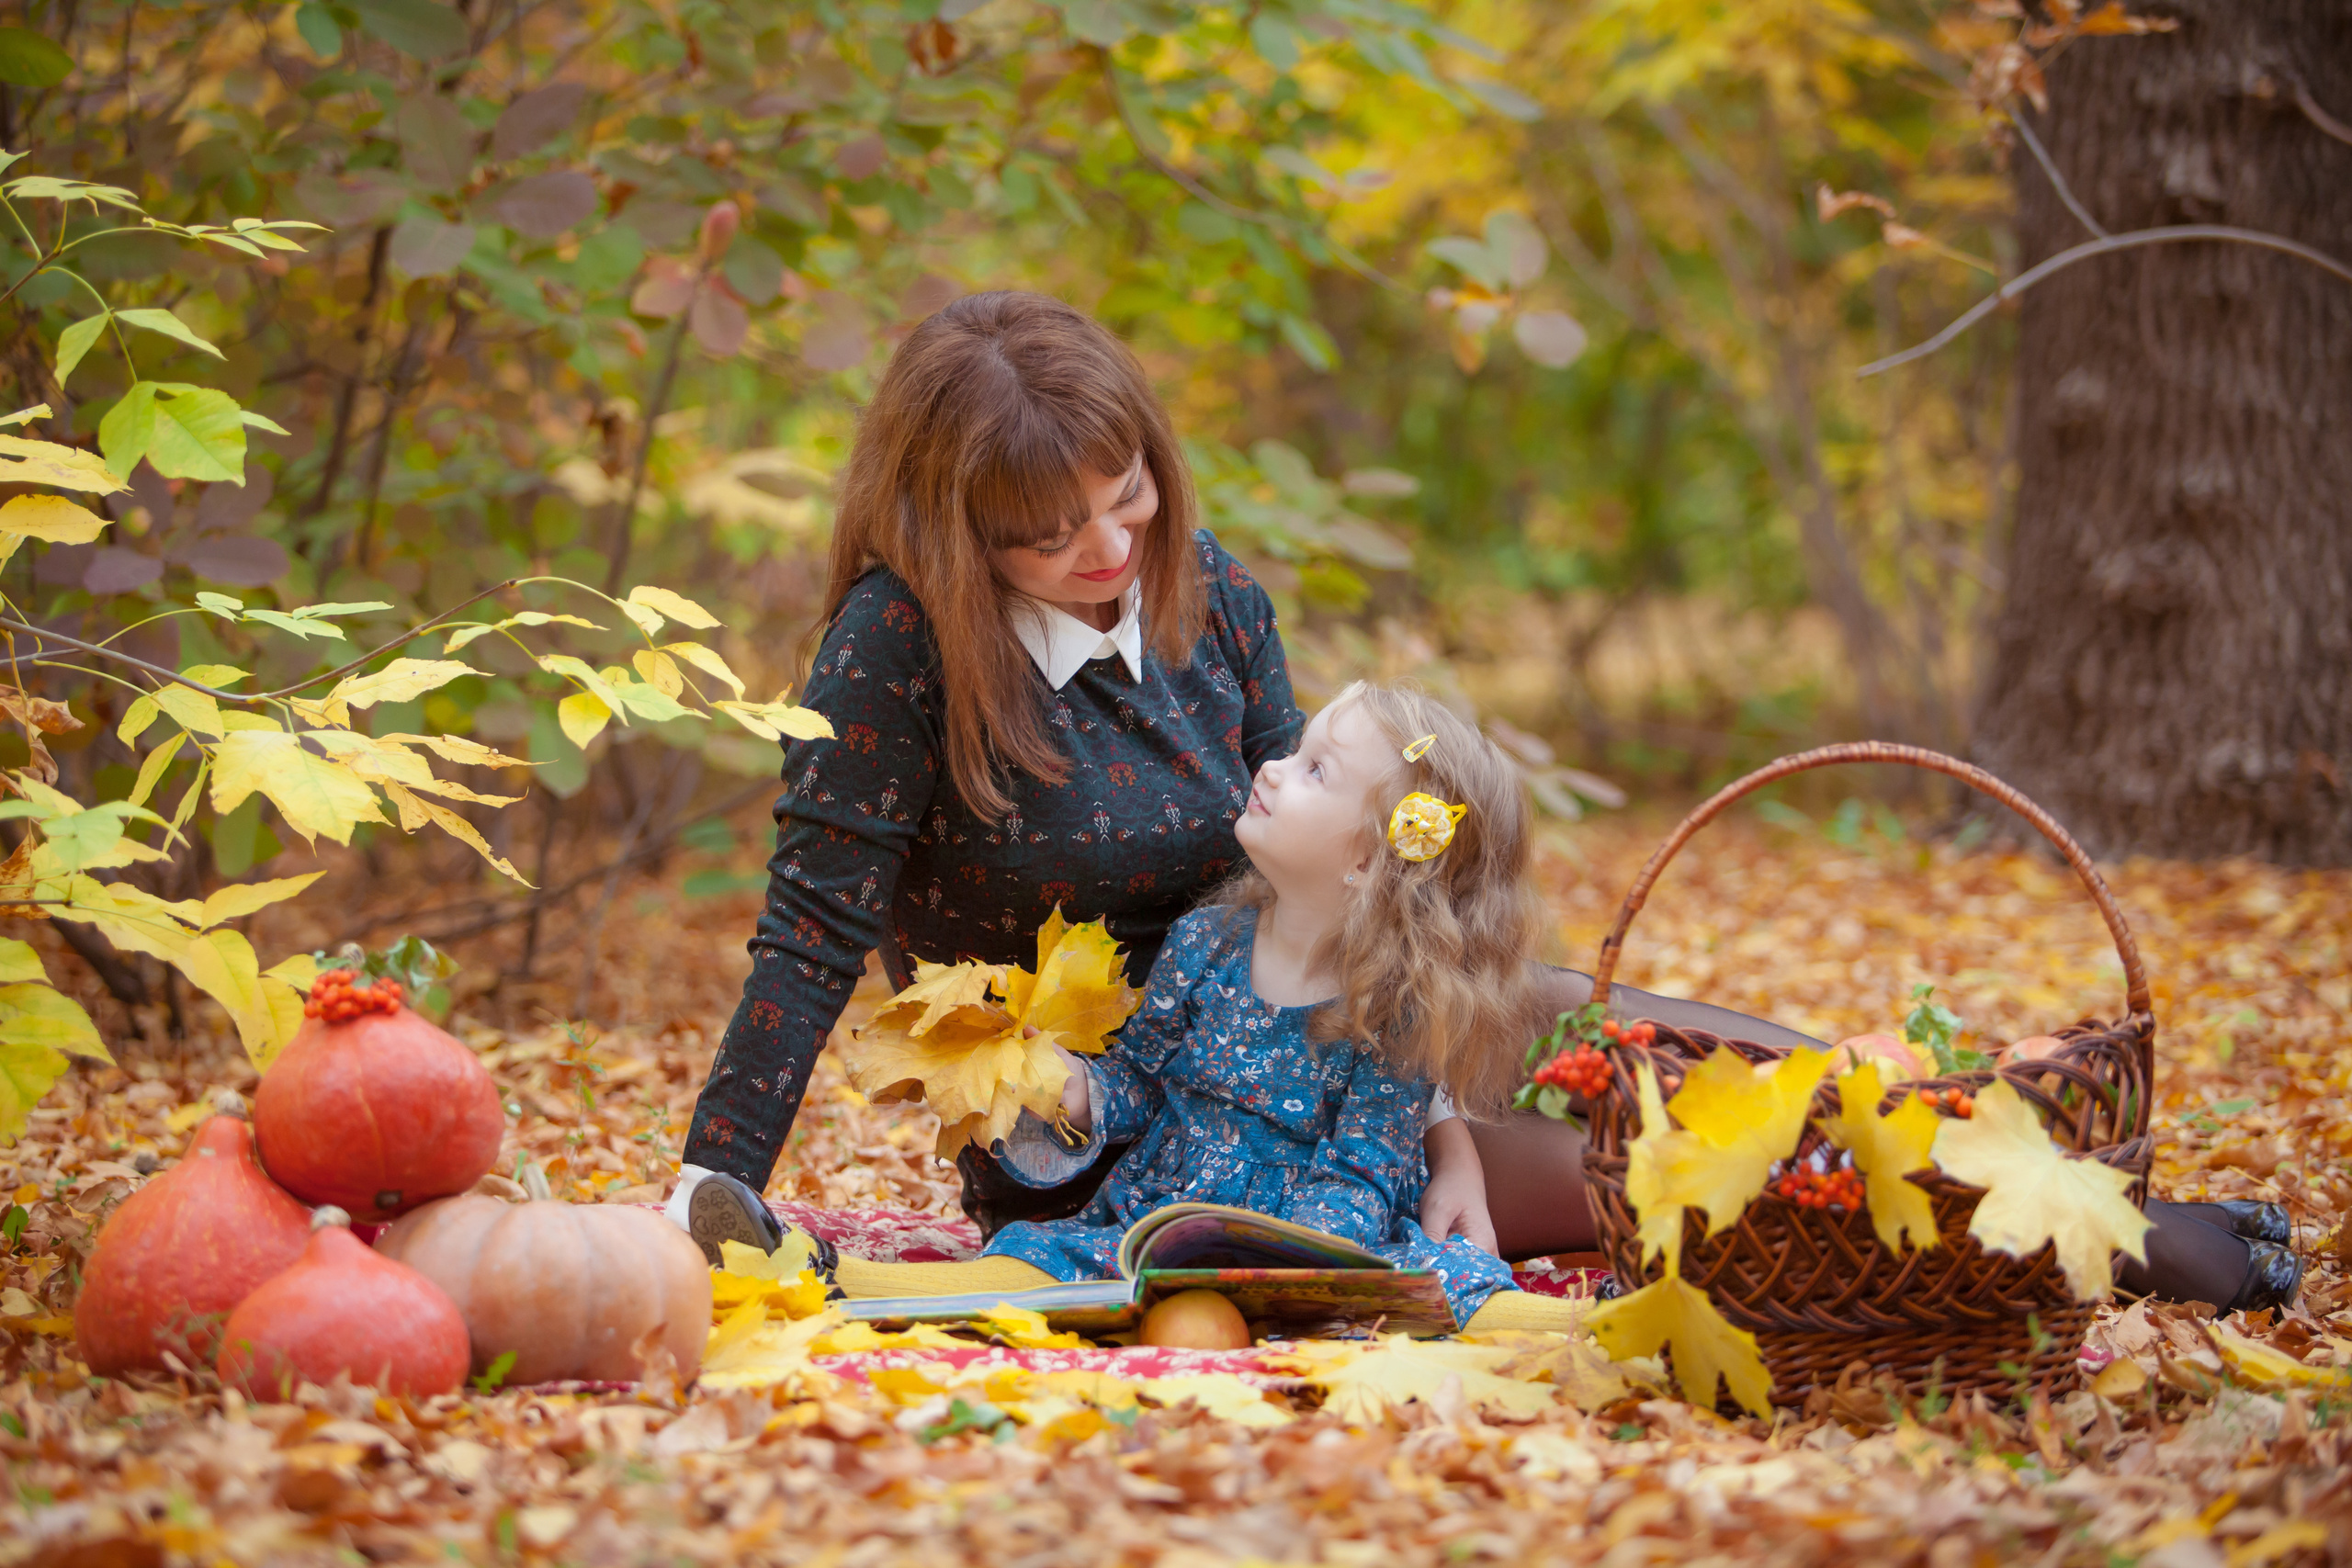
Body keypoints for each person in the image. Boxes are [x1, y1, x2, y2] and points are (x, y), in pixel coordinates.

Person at [675, 291, 1501, 1259]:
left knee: (1561, 1037)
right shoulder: (896, 644)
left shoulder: (1210, 591)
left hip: (1317, 1078)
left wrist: (1446, 1142)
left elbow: (1354, 871)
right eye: (1051, 537)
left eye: (1128, 496)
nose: (1111, 552)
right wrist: (710, 1187)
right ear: (959, 531)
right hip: (1085, 1140)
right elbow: (811, 933)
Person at [816, 682, 1589, 1335]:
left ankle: (1583, 1329)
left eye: (1314, 769)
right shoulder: (1206, 941)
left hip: (1308, 1236)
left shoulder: (1390, 1008)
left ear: (1365, 860)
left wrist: (1282, 1253)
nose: (1273, 768)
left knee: (1450, 1285)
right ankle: (849, 1282)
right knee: (1040, 1255)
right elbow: (1142, 1080)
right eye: (1295, 751)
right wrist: (1077, 1089)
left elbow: (1365, 1172)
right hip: (1161, 1213)